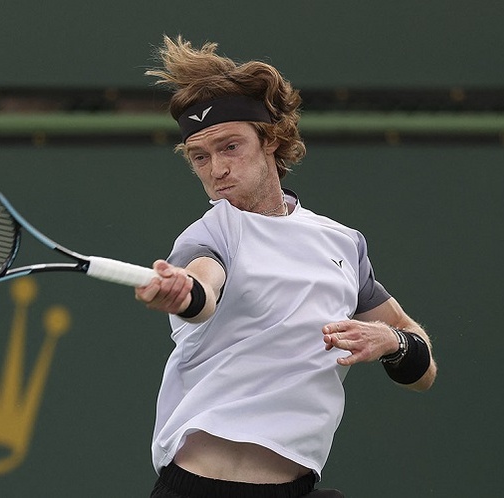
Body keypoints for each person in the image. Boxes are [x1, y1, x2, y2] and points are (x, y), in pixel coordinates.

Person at [135, 35, 438, 498]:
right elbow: (202, 287)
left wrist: (392, 340)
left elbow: (422, 370)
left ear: (271, 140)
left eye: (229, 147)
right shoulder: (211, 233)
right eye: (200, 156)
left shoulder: (342, 243)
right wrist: (185, 291)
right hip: (200, 488)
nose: (216, 168)